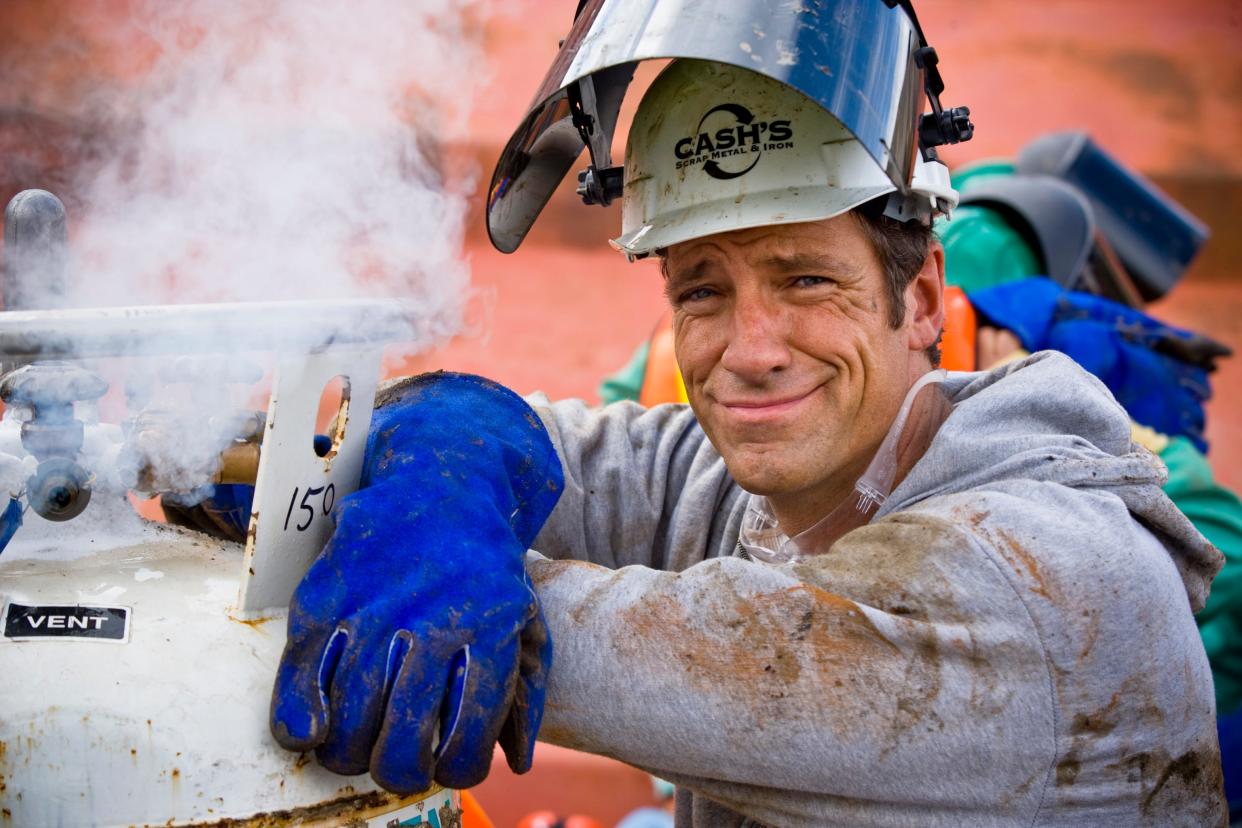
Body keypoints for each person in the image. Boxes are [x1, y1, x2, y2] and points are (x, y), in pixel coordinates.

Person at [269, 2, 1227, 825]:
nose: (751, 349)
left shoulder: (1038, 584)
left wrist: (346, 547)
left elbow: (611, 641)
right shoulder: (771, 478)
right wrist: (440, 438)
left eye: (806, 279)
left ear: (925, 300)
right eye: (701, 293)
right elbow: (559, 449)